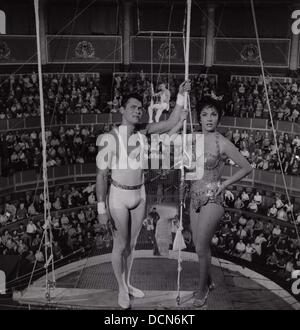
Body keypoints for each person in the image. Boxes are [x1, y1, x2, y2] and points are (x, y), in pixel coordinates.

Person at [96, 82, 189, 309]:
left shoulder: (143, 130)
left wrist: (180, 96)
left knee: (133, 245)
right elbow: (100, 176)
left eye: (140, 108)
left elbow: (170, 122)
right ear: (122, 110)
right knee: (121, 244)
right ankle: (120, 288)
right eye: (133, 107)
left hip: (140, 194)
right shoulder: (110, 138)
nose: (138, 111)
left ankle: (127, 284)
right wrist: (101, 208)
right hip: (118, 196)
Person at [188, 95, 253, 308]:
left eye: (213, 114)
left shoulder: (223, 143)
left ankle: (202, 289)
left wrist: (224, 184)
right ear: (198, 118)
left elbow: (246, 167)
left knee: (200, 247)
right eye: (205, 114)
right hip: (194, 196)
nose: (209, 118)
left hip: (212, 198)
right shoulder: (193, 139)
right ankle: (208, 281)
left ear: (218, 118)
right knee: (200, 246)